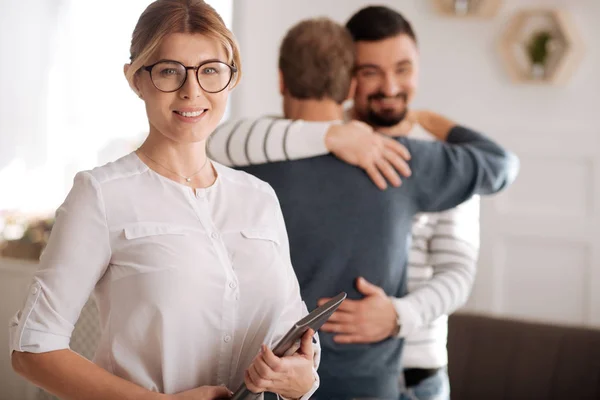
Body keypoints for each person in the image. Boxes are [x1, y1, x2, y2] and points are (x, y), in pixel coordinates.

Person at [8, 1, 319, 400]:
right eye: (169, 71)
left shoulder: (259, 198)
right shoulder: (101, 194)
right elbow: (31, 348)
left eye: (210, 71)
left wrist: (303, 378)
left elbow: (294, 333)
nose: (192, 91)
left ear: (231, 77)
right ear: (136, 79)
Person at [207, 17, 518, 400]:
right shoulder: (276, 141)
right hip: (326, 378)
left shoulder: (424, 156)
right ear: (351, 80)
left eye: (402, 69)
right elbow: (216, 141)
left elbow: (458, 271)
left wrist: (399, 315)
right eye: (372, 71)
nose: (389, 87)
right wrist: (330, 134)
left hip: (413, 371)